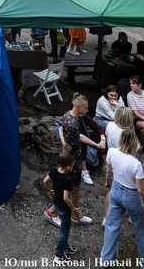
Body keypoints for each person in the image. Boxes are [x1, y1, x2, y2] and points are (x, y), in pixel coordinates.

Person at [100, 130, 144, 266]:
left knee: (111, 226)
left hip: (115, 190)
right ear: (133, 143)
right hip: (131, 196)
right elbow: (141, 191)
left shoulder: (112, 152)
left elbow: (109, 171)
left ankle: (106, 259)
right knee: (140, 229)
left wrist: (108, 182)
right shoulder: (136, 164)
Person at [44, 93, 99, 227]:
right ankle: (53, 212)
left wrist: (63, 143)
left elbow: (62, 131)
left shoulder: (67, 114)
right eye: (85, 108)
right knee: (72, 189)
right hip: (72, 163)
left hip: (70, 162)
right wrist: (64, 168)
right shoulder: (73, 124)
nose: (87, 111)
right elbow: (72, 142)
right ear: (78, 106)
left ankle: (74, 214)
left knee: (73, 188)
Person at [43, 152, 79, 264]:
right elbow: (66, 198)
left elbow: (45, 181)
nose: (72, 167)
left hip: (56, 204)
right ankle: (58, 255)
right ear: (68, 167)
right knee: (64, 231)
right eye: (72, 165)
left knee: (64, 228)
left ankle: (65, 246)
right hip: (65, 209)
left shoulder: (54, 170)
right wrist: (75, 210)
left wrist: (49, 191)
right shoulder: (67, 180)